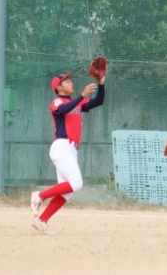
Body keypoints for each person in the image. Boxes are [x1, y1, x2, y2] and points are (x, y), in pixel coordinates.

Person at [30, 70, 106, 234]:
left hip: (71, 150)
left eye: (70, 80)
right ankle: (40, 195)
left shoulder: (78, 103)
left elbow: (99, 101)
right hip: (61, 147)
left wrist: (101, 83)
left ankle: (42, 220)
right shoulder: (57, 102)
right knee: (76, 183)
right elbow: (64, 109)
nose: (71, 82)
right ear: (58, 87)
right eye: (66, 81)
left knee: (67, 192)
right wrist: (81, 95)